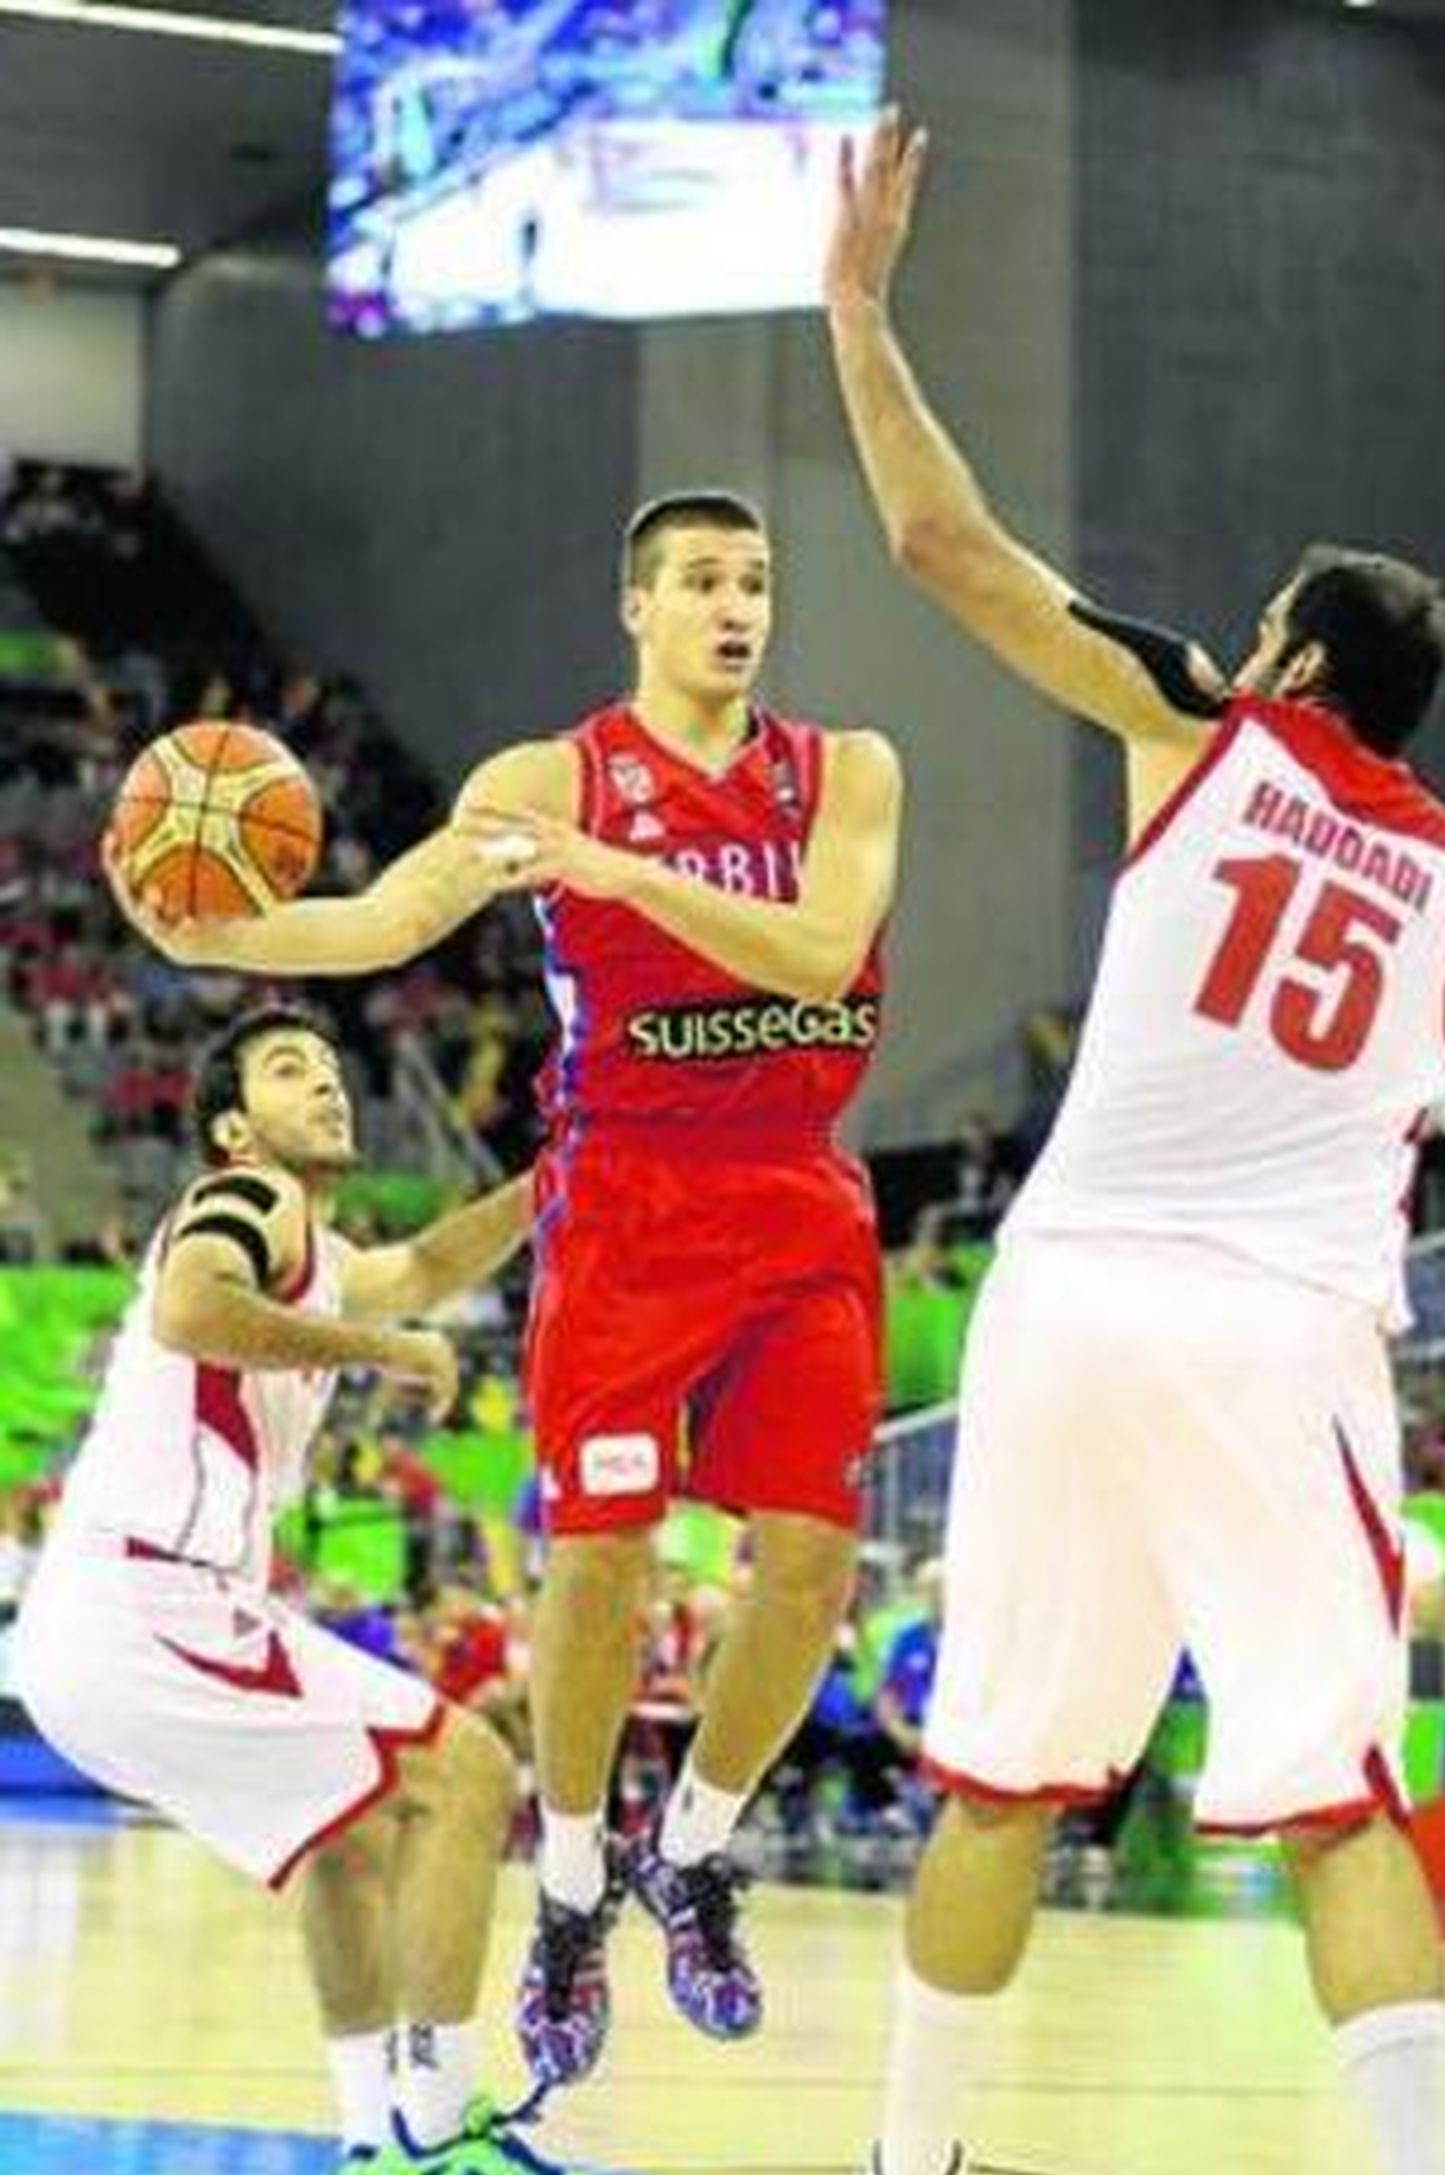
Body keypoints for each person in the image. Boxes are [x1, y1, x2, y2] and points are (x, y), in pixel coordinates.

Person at [820, 109, 1445, 2175]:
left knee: (996, 1777)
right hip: (1277, 1334)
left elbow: (938, 539)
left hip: (1065, 1303)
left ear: (1282, 649)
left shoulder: (1198, 723)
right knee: (1333, 1798)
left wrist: (858, 304)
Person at [109, 492, 903, 2093]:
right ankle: (571, 1884)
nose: (735, 606)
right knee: (601, 1561)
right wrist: (222, 936)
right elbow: (387, 918)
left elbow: (823, 954)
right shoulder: (547, 781)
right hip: (625, 1201)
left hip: (797, 1189)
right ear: (638, 609)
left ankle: (696, 1849)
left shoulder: (849, 770)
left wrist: (618, 873)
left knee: (814, 1563)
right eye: (701, 581)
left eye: (755, 582)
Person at [11, 1004, 620, 2175]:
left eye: (334, 1067)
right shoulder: (248, 1195)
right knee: (469, 1770)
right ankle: (440, 2133)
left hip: (110, 1622)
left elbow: (430, 1265)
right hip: (148, 1599)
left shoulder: (318, 1248)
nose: (328, 1084)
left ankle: (376, 2148)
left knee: (351, 1835)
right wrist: (383, 1351)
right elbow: (194, 1309)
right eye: (290, 1070)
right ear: (236, 1128)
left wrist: (563, 1173)